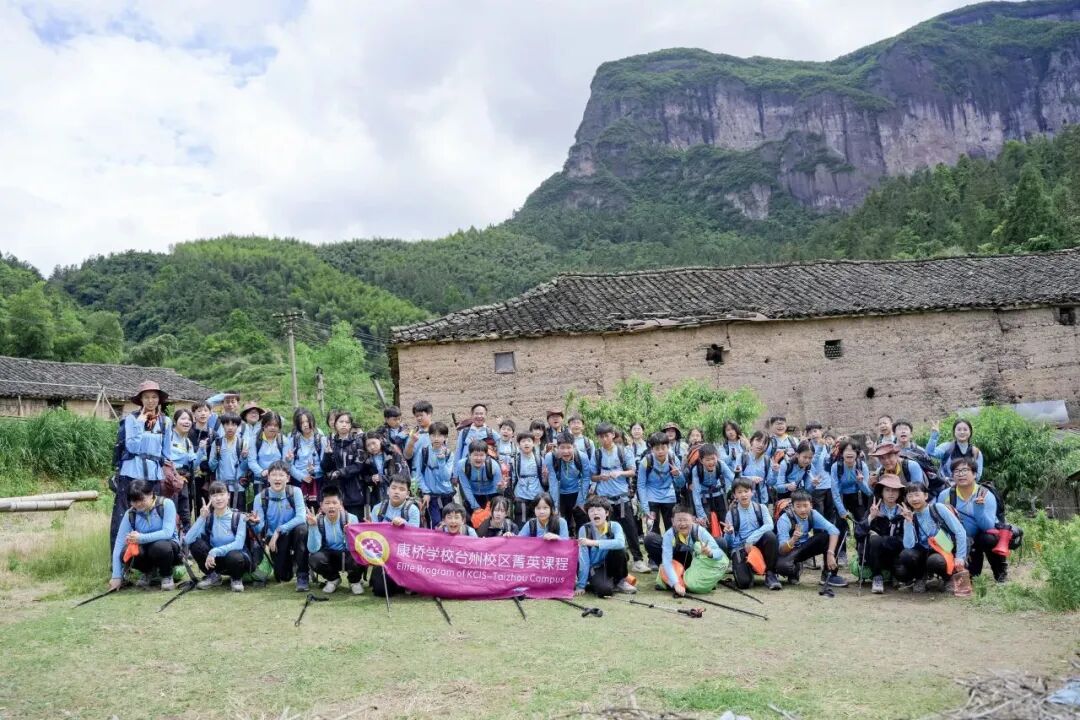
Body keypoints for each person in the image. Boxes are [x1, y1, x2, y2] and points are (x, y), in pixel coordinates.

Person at [110, 381, 173, 551]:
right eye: (146, 397)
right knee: (124, 515)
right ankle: (119, 557)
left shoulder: (166, 421)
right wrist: (139, 424)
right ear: (141, 400)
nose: (151, 401)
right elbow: (132, 447)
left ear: (159, 399)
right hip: (131, 473)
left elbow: (166, 452)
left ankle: (150, 556)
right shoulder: (131, 419)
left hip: (153, 475)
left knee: (154, 515)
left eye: (154, 397)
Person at [938, 457, 1007, 583]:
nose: (961, 474)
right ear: (952, 475)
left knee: (989, 539)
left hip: (982, 534)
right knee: (972, 578)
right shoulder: (945, 495)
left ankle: (1000, 573)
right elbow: (941, 523)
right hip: (960, 538)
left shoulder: (986, 495)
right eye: (957, 471)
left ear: (975, 474)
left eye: (965, 470)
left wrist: (978, 509)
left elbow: (988, 527)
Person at [591, 423, 647, 572]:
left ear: (613, 435)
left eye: (606, 436)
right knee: (607, 530)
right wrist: (600, 477)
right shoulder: (597, 454)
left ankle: (638, 560)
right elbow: (592, 476)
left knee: (630, 529)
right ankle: (609, 560)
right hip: (604, 499)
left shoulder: (624, 451)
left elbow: (633, 471)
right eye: (601, 437)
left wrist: (620, 473)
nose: (604, 439)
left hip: (622, 498)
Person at [108, 479, 180, 591]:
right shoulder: (130, 514)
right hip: (146, 549)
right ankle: (148, 572)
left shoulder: (166, 504)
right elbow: (119, 544)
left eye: (141, 499)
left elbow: (167, 533)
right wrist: (116, 576)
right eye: (134, 501)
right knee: (125, 552)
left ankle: (167, 575)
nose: (138, 504)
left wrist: (140, 538)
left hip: (168, 548)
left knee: (160, 547)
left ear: (151, 494)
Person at [897, 481, 968, 593]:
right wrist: (909, 522)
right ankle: (920, 578)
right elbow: (908, 546)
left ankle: (948, 579)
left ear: (925, 496)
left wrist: (960, 556)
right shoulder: (910, 517)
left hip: (944, 550)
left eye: (917, 495)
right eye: (910, 496)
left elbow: (960, 531)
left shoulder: (938, 508)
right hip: (924, 552)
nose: (914, 499)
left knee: (935, 561)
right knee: (905, 556)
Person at [249, 461, 309, 591]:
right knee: (283, 576)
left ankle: (303, 575)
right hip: (274, 539)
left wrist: (279, 530)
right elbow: (260, 528)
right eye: (274, 475)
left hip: (293, 533)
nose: (277, 478)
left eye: (281, 475)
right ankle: (292, 562)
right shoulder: (260, 497)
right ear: (268, 478)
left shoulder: (295, 492)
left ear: (288, 478)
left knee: (302, 530)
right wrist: (255, 523)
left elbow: (301, 517)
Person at [646, 505, 728, 595]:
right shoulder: (669, 535)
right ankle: (671, 576)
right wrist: (675, 584)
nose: (682, 524)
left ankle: (701, 578)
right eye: (679, 520)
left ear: (692, 520)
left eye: (685, 520)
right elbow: (667, 561)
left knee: (721, 542)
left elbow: (719, 553)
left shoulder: (700, 531)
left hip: (697, 563)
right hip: (677, 559)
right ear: (673, 521)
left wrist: (710, 553)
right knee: (650, 539)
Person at [186, 481, 251, 592]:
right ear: (210, 498)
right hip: (214, 561)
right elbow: (188, 540)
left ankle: (236, 579)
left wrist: (215, 551)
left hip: (235, 559)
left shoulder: (239, 517)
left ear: (228, 496)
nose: (218, 498)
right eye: (214, 495)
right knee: (195, 545)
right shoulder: (209, 518)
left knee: (234, 555)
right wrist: (202, 518)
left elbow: (239, 544)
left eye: (222, 494)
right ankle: (213, 576)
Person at [776, 490, 845, 587]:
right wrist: (793, 539)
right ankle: (795, 569)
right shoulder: (785, 519)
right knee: (782, 567)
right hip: (789, 550)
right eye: (798, 506)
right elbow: (782, 550)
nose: (802, 510)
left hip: (804, 547)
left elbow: (834, 530)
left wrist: (830, 553)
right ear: (793, 506)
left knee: (826, 537)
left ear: (811, 505)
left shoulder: (813, 514)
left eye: (805, 505)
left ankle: (829, 575)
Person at [369, 475, 423, 597]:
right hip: (385, 555)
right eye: (393, 488)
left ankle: (403, 582)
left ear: (407, 494)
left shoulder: (412, 510)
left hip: (405, 556)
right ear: (388, 490)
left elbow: (415, 536)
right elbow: (374, 535)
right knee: (380, 591)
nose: (397, 491)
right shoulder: (377, 508)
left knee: (415, 588)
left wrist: (405, 525)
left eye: (401, 489)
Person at [723, 478, 781, 590]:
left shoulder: (761, 508)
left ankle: (770, 574)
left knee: (770, 536)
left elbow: (770, 525)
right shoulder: (731, 514)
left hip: (758, 544)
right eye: (739, 492)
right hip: (740, 548)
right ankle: (748, 570)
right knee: (744, 583)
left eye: (746, 491)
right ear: (734, 495)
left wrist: (751, 539)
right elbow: (729, 544)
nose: (743, 495)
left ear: (752, 492)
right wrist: (729, 533)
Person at [854, 474, 906, 594]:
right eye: (887, 490)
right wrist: (871, 517)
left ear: (899, 493)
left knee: (903, 574)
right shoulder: (874, 509)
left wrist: (883, 539)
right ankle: (877, 577)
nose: (891, 494)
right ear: (881, 492)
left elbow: (905, 540)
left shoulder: (904, 511)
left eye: (894, 490)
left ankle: (895, 575)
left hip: (896, 556)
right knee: (875, 540)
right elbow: (858, 534)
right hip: (874, 556)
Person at [305, 486, 362, 595]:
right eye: (327, 503)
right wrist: (313, 527)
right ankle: (333, 579)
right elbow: (313, 549)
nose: (331, 506)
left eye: (334, 502)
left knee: (359, 555)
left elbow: (356, 547)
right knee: (315, 558)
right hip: (329, 558)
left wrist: (349, 534)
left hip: (347, 555)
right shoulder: (318, 520)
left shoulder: (351, 518)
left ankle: (354, 581)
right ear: (321, 505)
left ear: (340, 504)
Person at [576, 496, 634, 597]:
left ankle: (620, 581)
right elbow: (583, 559)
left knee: (620, 550)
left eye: (599, 510)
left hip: (611, 563)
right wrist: (581, 585)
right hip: (595, 567)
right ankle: (598, 583)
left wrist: (593, 542)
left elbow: (620, 543)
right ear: (588, 514)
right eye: (591, 511)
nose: (595, 513)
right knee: (605, 591)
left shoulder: (614, 526)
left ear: (606, 513)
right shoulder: (584, 530)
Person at [829, 440, 873, 562]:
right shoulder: (836, 467)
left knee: (861, 524)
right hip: (841, 498)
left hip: (857, 497)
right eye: (846, 450)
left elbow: (868, 492)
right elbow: (835, 491)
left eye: (853, 450)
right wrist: (841, 510)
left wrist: (861, 482)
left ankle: (862, 552)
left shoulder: (862, 466)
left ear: (857, 453)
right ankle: (841, 553)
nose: (849, 453)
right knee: (840, 525)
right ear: (842, 453)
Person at [544, 432, 592, 535]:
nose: (566, 451)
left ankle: (581, 541)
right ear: (557, 447)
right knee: (560, 521)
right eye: (562, 448)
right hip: (559, 493)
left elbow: (586, 478)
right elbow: (553, 481)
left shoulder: (582, 457)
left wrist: (581, 501)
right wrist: (555, 505)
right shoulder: (550, 457)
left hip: (576, 492)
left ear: (574, 446)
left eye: (569, 447)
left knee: (581, 520)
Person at [322, 411, 366, 520]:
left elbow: (359, 466)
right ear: (335, 424)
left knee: (354, 524)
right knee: (336, 523)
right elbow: (325, 468)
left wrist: (340, 472)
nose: (344, 424)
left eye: (347, 422)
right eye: (341, 422)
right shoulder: (331, 442)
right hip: (335, 491)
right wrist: (327, 455)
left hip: (355, 490)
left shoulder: (358, 442)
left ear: (350, 425)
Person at [638, 432, 680, 538]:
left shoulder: (673, 459)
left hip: (669, 496)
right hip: (651, 496)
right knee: (653, 531)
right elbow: (641, 485)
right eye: (657, 448)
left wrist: (678, 475)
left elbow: (681, 484)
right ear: (652, 449)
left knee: (673, 529)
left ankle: (673, 548)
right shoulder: (646, 461)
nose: (660, 451)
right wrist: (645, 506)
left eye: (663, 448)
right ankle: (655, 549)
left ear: (668, 447)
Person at [689, 443, 734, 536]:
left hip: (719, 495)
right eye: (707, 459)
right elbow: (696, 493)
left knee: (725, 522)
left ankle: (727, 542)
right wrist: (701, 514)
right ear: (701, 460)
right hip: (704, 497)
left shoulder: (721, 465)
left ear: (717, 457)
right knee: (705, 524)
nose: (711, 462)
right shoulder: (696, 470)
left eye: (713, 458)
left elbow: (733, 479)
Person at [287, 407, 328, 509]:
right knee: (300, 509)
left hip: (317, 481)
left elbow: (325, 463)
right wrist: (302, 476)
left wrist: (315, 471)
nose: (305, 425)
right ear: (298, 425)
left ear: (312, 421)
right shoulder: (293, 440)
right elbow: (289, 464)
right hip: (298, 482)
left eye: (307, 421)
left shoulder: (321, 439)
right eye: (302, 422)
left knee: (318, 510)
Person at [417, 422, 455, 528]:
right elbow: (419, 475)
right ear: (429, 436)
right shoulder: (423, 452)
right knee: (435, 523)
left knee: (449, 523)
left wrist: (441, 461)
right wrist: (426, 492)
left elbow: (446, 477)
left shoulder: (449, 454)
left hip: (446, 494)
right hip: (431, 496)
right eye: (433, 435)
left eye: (440, 435)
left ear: (445, 437)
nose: (436, 439)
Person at [167, 408, 200, 530]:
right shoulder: (168, 436)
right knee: (171, 510)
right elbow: (166, 457)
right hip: (169, 479)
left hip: (183, 480)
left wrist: (201, 451)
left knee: (185, 512)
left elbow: (193, 463)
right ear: (175, 421)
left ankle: (186, 539)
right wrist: (175, 474)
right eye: (183, 418)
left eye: (189, 419)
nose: (187, 422)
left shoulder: (187, 442)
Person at [209, 413, 247, 511]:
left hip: (238, 487)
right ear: (223, 426)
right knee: (221, 514)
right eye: (227, 424)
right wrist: (217, 456)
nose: (230, 427)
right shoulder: (217, 443)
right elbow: (211, 467)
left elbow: (245, 468)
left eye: (233, 424)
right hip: (221, 487)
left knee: (238, 515)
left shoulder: (243, 443)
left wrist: (244, 458)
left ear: (238, 426)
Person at [456, 439, 504, 516]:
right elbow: (466, 487)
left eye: (482, 455)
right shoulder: (462, 465)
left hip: (490, 493)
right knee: (472, 518)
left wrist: (501, 488)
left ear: (486, 455)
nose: (478, 458)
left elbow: (498, 491)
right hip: (472, 493)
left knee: (490, 518)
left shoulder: (494, 466)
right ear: (469, 455)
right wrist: (475, 507)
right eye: (475, 455)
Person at [247, 411, 285, 495]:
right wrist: (262, 472)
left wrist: (289, 460)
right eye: (269, 425)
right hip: (260, 480)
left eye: (276, 425)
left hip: (278, 479)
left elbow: (285, 461)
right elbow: (251, 461)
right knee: (261, 501)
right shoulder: (255, 440)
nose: (272, 428)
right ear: (263, 426)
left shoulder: (283, 440)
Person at [510, 432, 544, 525]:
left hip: (537, 494)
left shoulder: (539, 459)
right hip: (520, 495)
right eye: (523, 441)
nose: (526, 443)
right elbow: (512, 479)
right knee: (521, 522)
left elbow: (544, 479)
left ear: (533, 443)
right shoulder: (515, 460)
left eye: (529, 441)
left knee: (537, 522)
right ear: (519, 445)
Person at [773, 441, 822, 506]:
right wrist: (787, 487)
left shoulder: (809, 467)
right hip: (782, 499)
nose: (807, 461)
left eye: (810, 458)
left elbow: (807, 491)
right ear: (797, 455)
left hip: (797, 499)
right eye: (805, 457)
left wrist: (813, 485)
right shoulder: (786, 464)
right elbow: (777, 487)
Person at [189, 400, 216, 506]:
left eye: (205, 410)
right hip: (189, 475)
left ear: (210, 413)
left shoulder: (213, 434)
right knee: (187, 506)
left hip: (206, 477)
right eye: (199, 411)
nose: (203, 413)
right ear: (194, 414)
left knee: (205, 505)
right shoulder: (187, 432)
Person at [741, 431, 773, 506]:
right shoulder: (742, 457)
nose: (761, 445)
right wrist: (751, 479)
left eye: (764, 443)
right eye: (758, 441)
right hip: (745, 499)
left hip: (763, 499)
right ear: (751, 441)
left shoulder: (767, 460)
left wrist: (775, 472)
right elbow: (736, 477)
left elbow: (770, 482)